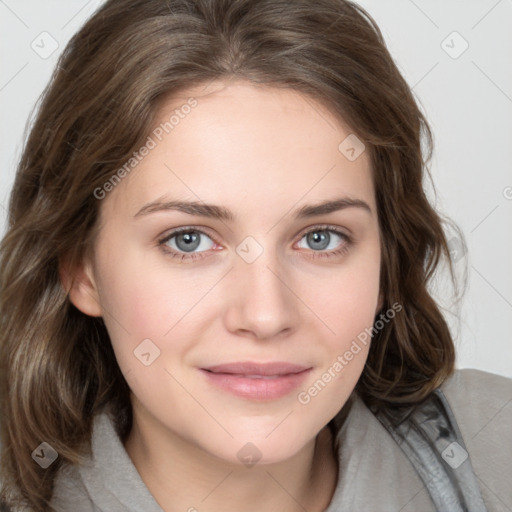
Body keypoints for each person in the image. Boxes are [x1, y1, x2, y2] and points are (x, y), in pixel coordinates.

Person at [0, 0, 510, 510]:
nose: (266, 315)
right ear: (80, 270)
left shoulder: (495, 446)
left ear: (386, 258)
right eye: (189, 240)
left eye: (320, 238)